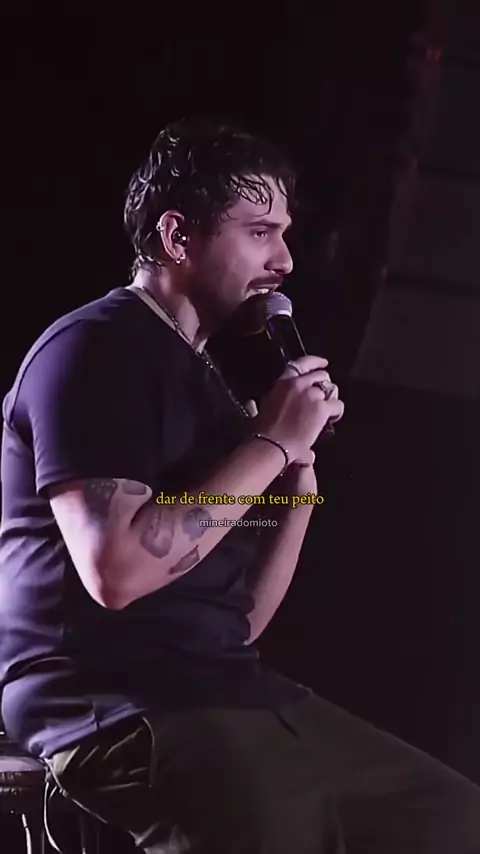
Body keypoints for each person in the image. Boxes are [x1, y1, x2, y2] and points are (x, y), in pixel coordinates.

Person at [0, 117, 479, 854]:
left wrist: (297, 478)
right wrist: (271, 442)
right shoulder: (96, 349)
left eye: (284, 233)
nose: (284, 260)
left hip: (227, 684)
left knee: (452, 822)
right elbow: (116, 571)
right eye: (259, 233)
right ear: (177, 236)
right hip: (119, 698)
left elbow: (242, 620)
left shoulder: (212, 388)